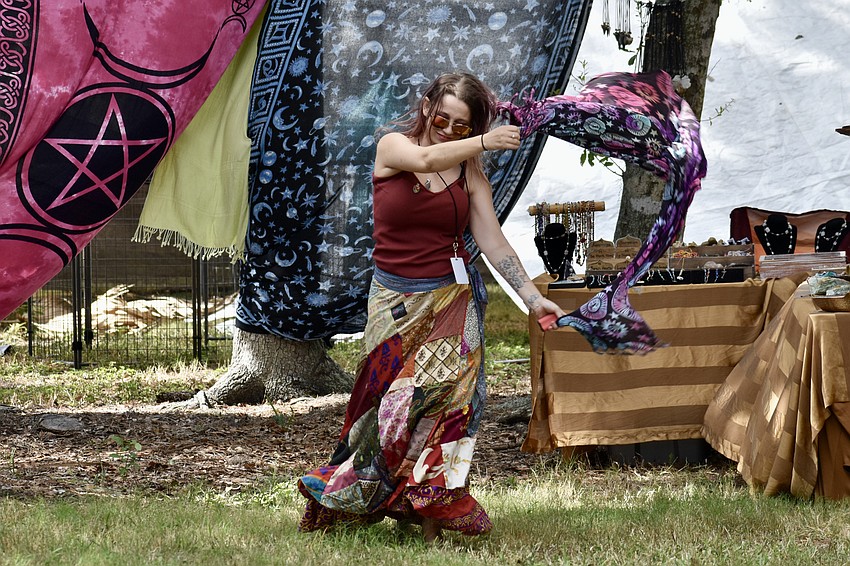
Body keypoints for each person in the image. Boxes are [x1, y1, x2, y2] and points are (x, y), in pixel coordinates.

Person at [297, 72, 565, 542]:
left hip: (453, 300)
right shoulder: (393, 147)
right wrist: (481, 140)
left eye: (462, 127)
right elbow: (424, 156)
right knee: (388, 409)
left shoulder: (468, 171)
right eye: (443, 118)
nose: (449, 130)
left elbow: (492, 239)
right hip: (394, 303)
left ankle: (432, 510)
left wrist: (531, 296)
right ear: (425, 107)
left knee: (451, 406)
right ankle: (355, 496)